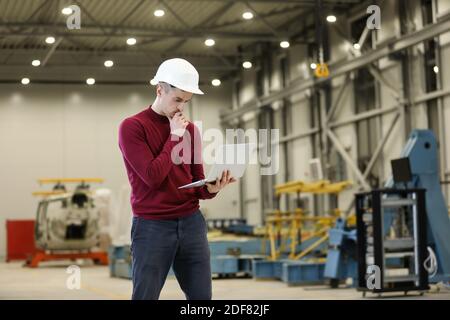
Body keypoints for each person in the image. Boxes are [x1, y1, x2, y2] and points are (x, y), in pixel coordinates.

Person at [118, 58, 235, 300]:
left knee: (202, 299)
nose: (182, 107)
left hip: (191, 223)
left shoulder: (190, 130)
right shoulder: (133, 127)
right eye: (177, 100)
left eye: (187, 101)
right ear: (160, 90)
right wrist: (174, 136)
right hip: (152, 225)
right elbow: (152, 177)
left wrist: (213, 187)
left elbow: (197, 181)